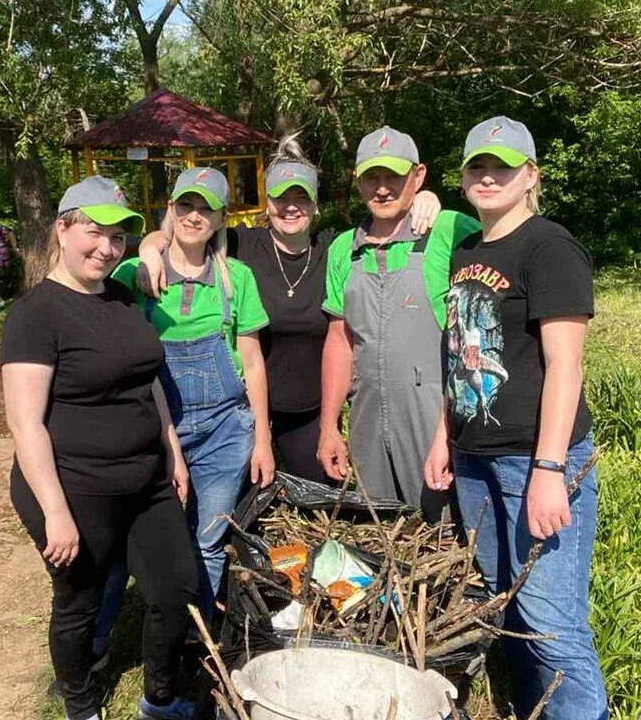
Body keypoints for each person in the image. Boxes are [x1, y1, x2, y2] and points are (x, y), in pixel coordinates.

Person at [424, 117, 608, 720]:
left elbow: (566, 366)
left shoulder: (550, 247)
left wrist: (550, 471)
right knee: (507, 605)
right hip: (475, 460)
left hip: (534, 460)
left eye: (503, 166)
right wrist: (443, 436)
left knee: (554, 624)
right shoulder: (468, 250)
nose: (487, 176)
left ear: (530, 175)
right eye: (478, 165)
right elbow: (459, 352)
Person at [0, 176, 198, 720]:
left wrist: (173, 451)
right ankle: (81, 713)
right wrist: (56, 512)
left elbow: (148, 382)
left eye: (117, 238)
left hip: (146, 479)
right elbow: (25, 422)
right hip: (75, 485)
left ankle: (159, 698)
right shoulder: (37, 315)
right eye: (94, 232)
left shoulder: (120, 298)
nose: (106, 248)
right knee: (80, 600)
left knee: (175, 588)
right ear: (61, 229)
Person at [136, 136, 442, 482]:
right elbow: (185, 231)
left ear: (315, 205)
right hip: (241, 408)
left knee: (324, 490)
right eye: (281, 197)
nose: (290, 206)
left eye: (301, 197)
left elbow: (385, 221)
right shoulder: (239, 244)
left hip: (304, 411)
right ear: (267, 204)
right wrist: (150, 248)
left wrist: (425, 198)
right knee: (238, 501)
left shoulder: (334, 249)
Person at [111, 166, 273, 615]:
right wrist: (147, 249)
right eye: (186, 205)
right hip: (153, 429)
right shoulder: (132, 275)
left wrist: (263, 438)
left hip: (225, 430)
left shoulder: (235, 279)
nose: (195, 216)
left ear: (222, 219)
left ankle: (193, 634)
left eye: (207, 209)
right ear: (171, 209)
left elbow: (253, 362)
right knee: (147, 537)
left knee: (209, 536)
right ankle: (140, 622)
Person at [318, 126, 480, 521]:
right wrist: (328, 428)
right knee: (380, 529)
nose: (383, 188)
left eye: (394, 176)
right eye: (372, 177)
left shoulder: (448, 230)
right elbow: (339, 341)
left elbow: (508, 232)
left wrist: (435, 200)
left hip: (436, 417)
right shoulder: (344, 249)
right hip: (367, 418)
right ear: (357, 181)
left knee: (444, 529)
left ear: (418, 175)